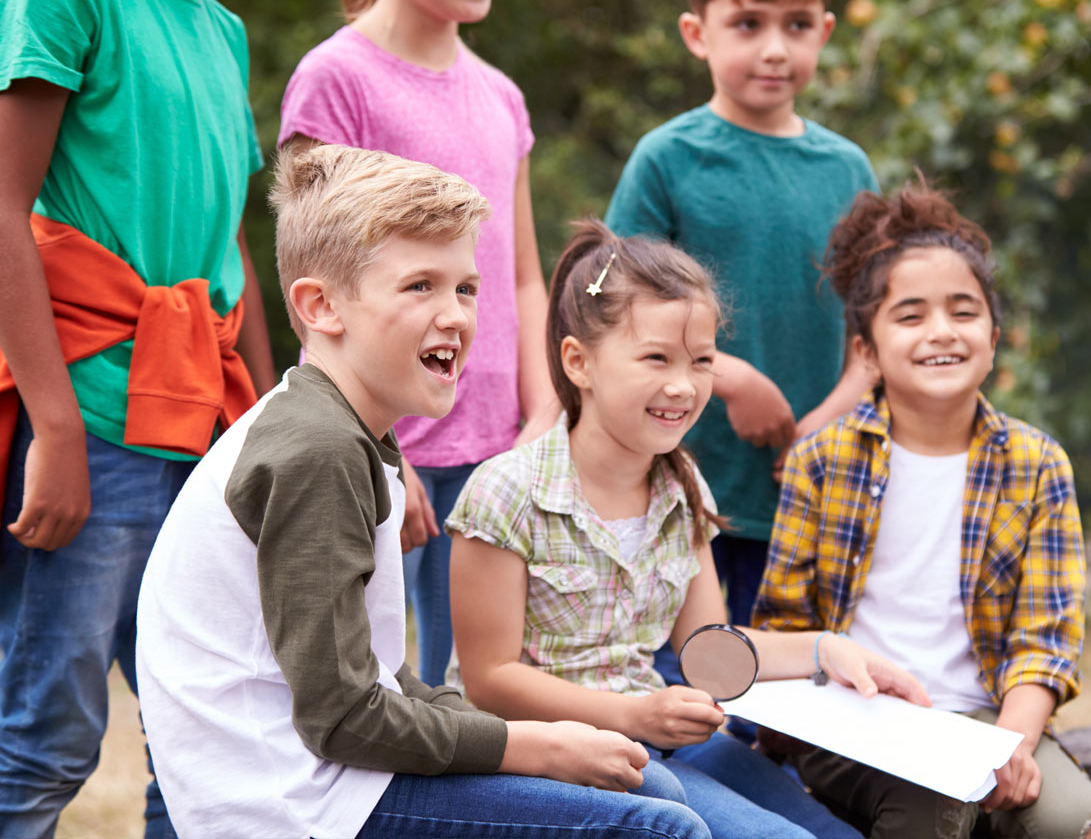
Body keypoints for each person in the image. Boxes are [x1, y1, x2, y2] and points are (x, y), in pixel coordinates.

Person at [134, 145, 709, 839]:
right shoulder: (317, 449)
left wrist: (548, 735)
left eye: (465, 288)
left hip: (332, 776)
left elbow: (384, 680)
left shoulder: (348, 430)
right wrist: (540, 745)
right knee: (658, 827)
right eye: (420, 287)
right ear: (321, 306)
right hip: (289, 804)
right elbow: (343, 718)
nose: (456, 315)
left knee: (655, 782)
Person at [446, 219, 929, 839]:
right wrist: (635, 713)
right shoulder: (505, 492)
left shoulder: (682, 488)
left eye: (702, 361)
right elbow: (489, 682)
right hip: (552, 755)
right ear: (579, 363)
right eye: (655, 358)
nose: (683, 385)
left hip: (657, 736)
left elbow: (707, 646)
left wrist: (823, 650)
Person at [752, 182, 1091, 838]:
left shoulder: (1037, 465)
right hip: (855, 723)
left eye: (963, 311)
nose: (941, 333)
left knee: (1082, 826)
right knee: (933, 802)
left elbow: (1046, 642)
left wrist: (1010, 743)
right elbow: (783, 622)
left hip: (985, 719)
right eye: (910, 315)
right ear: (866, 349)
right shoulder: (822, 459)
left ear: (994, 334)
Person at [0, 0, 274, 834]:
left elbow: (229, 244)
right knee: (46, 738)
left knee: (204, 742)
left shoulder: (220, 28)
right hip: (91, 411)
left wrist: (266, 430)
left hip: (203, 425)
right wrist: (55, 427)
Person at [279, 0, 559, 686]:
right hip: (387, 452)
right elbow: (316, 283)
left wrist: (544, 414)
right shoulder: (335, 78)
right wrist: (383, 450)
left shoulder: (502, 96)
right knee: (376, 686)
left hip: (498, 452)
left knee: (474, 691)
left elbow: (524, 276)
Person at [605, 0, 877, 638]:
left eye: (798, 25)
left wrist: (830, 415)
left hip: (807, 490)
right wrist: (730, 378)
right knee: (682, 683)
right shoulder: (666, 159)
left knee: (788, 698)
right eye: (749, 24)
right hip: (679, 486)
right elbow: (610, 302)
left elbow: (875, 329)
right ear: (699, 34)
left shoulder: (849, 169)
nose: (775, 48)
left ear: (826, 31)